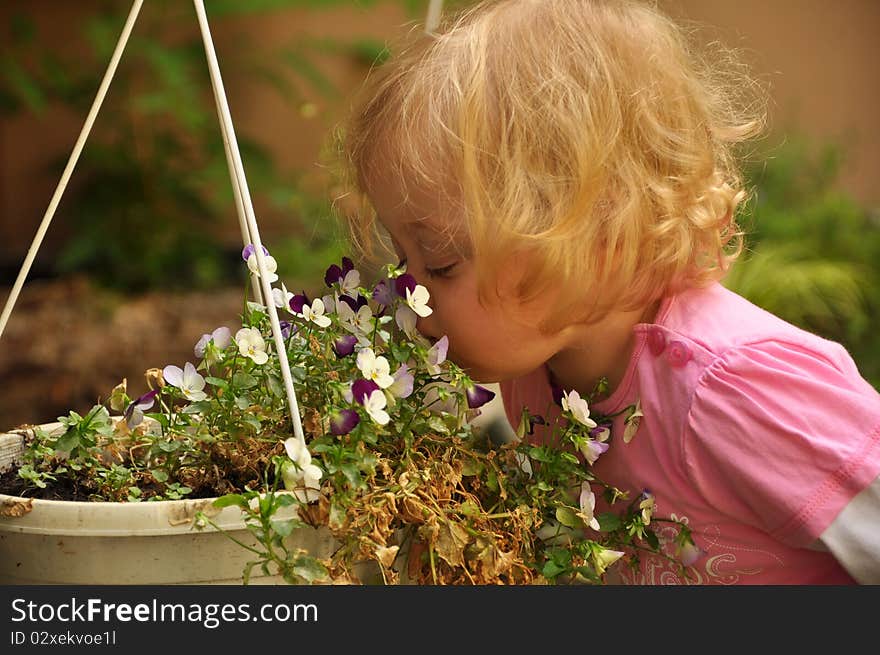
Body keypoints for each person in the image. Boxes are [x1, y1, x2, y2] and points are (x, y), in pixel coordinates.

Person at [334, 0, 880, 584]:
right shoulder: (539, 372)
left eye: (441, 263)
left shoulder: (730, 391)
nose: (407, 290)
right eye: (403, 257)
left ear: (591, 231)